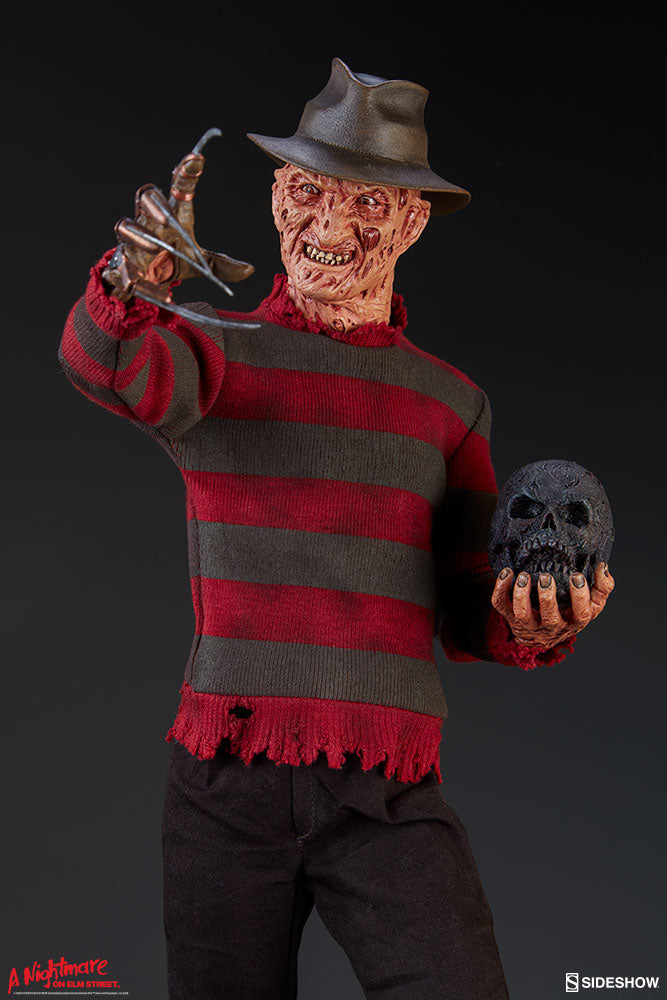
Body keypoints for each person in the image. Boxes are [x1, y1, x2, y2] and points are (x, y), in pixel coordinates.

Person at [57, 58, 614, 1000]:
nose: (328, 224)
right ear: (278, 195)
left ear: (409, 223)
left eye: (365, 204)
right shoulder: (214, 353)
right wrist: (129, 281)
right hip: (225, 778)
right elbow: (107, 366)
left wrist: (531, 621)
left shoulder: (449, 403)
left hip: (383, 784)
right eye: (308, 192)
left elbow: (468, 602)